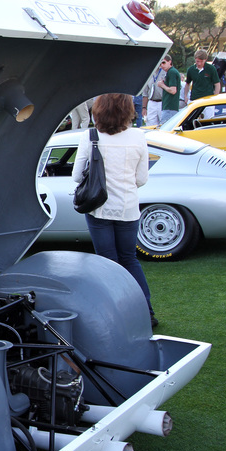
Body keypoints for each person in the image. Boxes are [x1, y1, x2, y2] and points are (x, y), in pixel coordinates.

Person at [72, 94, 155, 327]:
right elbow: (141, 178)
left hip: (99, 208)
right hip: (128, 207)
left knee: (107, 263)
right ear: (127, 109)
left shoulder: (90, 136)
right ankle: (146, 310)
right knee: (129, 259)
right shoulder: (139, 136)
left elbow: (77, 176)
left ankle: (117, 314)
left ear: (99, 109)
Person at [158, 54, 182, 122]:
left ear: (170, 62)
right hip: (169, 107)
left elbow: (173, 90)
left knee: (165, 129)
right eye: (160, 64)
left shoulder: (172, 72)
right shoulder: (170, 72)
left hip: (170, 108)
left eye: (163, 62)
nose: (162, 65)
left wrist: (162, 85)